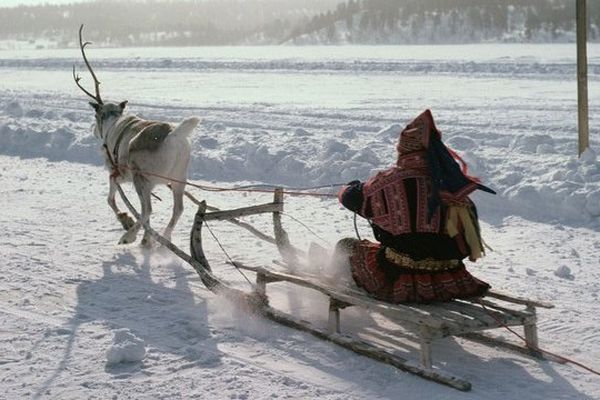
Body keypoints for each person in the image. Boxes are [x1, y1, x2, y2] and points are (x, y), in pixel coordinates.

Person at [336, 109, 495, 303]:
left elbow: (350, 198)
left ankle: (339, 295)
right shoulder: (457, 188)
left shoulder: (389, 181)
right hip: (451, 277)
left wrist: (351, 187)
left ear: (404, 150)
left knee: (346, 246)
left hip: (401, 274)